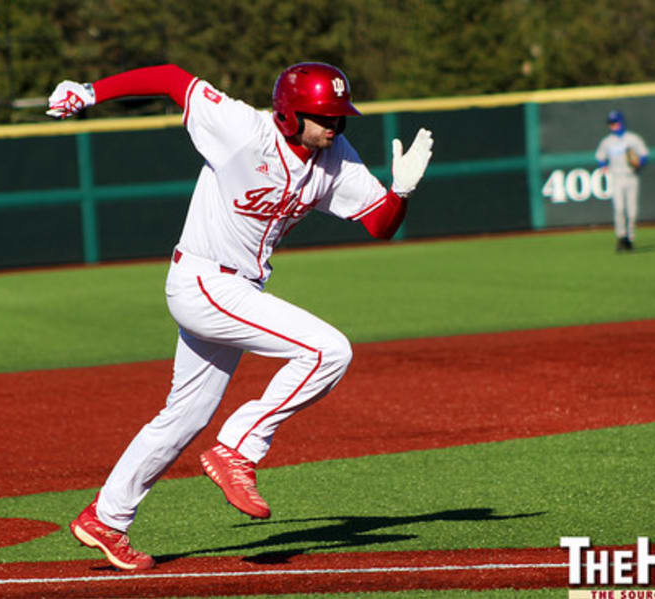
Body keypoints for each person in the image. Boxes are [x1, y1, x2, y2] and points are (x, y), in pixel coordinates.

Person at [46, 62, 433, 571]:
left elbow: (380, 225)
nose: (335, 126)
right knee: (329, 350)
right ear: (290, 115)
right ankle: (238, 449)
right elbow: (169, 78)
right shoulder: (240, 128)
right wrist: (90, 92)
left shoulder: (335, 157)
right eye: (324, 116)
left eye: (340, 116)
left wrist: (401, 193)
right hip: (203, 280)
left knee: (183, 417)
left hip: (236, 288)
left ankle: (107, 518)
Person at [595, 109, 649, 251]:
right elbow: (600, 156)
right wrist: (603, 165)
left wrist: (640, 163)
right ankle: (620, 236)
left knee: (632, 212)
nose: (612, 125)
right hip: (617, 178)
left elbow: (644, 155)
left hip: (632, 177)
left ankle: (629, 239)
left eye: (615, 122)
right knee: (619, 209)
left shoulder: (633, 139)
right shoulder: (607, 142)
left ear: (621, 122)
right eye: (611, 123)